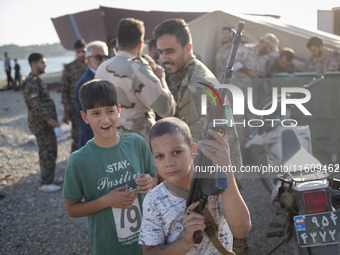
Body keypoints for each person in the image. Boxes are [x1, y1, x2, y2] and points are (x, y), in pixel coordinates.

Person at [154, 19, 248, 254]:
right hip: (218, 173)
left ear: (188, 48)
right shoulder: (187, 75)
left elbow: (192, 150)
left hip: (214, 176)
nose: (164, 58)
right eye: (161, 52)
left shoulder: (196, 86)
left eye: (170, 51)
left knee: (225, 240)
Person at [63, 79, 158, 255]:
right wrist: (106, 201)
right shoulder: (78, 161)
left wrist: (150, 181)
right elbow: (72, 209)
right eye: (96, 113)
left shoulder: (137, 143)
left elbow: (156, 178)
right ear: (85, 117)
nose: (105, 119)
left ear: (119, 111)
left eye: (110, 111)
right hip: (109, 246)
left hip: (147, 242)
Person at [139, 117, 251, 254]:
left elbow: (241, 230)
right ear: (153, 158)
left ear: (193, 149)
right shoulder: (154, 200)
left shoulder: (215, 183)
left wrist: (226, 169)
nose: (169, 163)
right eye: (160, 156)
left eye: (176, 152)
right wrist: (185, 242)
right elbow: (149, 252)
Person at [95, 18, 176, 141]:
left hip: (112, 140)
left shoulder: (102, 68)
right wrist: (161, 78)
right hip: (139, 142)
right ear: (140, 44)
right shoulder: (138, 69)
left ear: (117, 43)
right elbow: (167, 110)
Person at [22, 53, 61, 192]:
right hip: (41, 124)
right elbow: (35, 104)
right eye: (42, 63)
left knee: (51, 150)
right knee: (46, 152)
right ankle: (45, 182)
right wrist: (49, 119)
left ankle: (49, 177)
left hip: (45, 123)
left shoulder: (37, 79)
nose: (45, 65)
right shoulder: (31, 81)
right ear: (34, 64)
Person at [75, 40, 109, 149]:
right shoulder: (86, 83)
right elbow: (86, 120)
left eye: (106, 56)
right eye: (99, 57)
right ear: (88, 59)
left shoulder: (105, 76)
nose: (103, 60)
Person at [61, 38, 87, 152]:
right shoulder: (69, 68)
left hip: (91, 106)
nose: (81, 54)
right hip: (75, 108)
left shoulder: (91, 65)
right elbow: (64, 90)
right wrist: (65, 113)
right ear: (75, 52)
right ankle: (75, 161)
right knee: (76, 136)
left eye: (83, 51)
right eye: (78, 52)